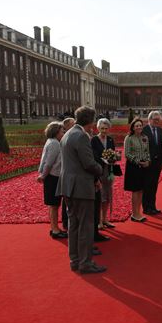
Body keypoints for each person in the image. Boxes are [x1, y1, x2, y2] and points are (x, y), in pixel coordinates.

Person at [57, 106, 105, 274]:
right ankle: (85, 262)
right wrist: (101, 168)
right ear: (91, 122)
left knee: (73, 225)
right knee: (85, 225)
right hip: (81, 186)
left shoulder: (68, 134)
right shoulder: (81, 136)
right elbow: (89, 164)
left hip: (68, 185)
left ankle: (75, 260)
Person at [37, 121, 67, 239]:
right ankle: (55, 229)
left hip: (52, 176)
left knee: (53, 205)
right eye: (62, 131)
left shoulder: (51, 141)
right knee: (54, 205)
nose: (63, 133)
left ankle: (55, 228)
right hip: (53, 177)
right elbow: (49, 163)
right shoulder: (54, 143)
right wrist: (43, 176)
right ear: (56, 132)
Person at [91, 118, 117, 232]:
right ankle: (99, 221)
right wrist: (104, 159)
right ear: (98, 128)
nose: (104, 131)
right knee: (100, 196)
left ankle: (105, 219)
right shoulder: (94, 140)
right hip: (98, 171)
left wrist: (114, 158)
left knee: (107, 195)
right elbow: (93, 155)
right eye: (102, 128)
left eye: (106, 128)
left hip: (109, 171)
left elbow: (114, 153)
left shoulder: (110, 139)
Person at [124, 118, 150, 222]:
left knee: (141, 190)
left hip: (144, 166)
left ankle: (138, 212)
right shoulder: (129, 138)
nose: (139, 127)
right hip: (133, 166)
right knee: (136, 190)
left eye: (140, 125)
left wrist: (148, 161)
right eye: (137, 126)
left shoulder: (145, 137)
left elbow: (147, 151)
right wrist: (138, 161)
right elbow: (127, 153)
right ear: (133, 128)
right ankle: (134, 214)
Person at [142, 110, 162, 215]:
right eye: (155, 120)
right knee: (147, 185)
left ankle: (153, 206)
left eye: (158, 120)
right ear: (149, 119)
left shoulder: (160, 130)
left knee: (154, 185)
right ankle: (146, 207)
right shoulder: (143, 130)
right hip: (148, 162)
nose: (157, 121)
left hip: (157, 163)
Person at [60, 117, 76, 231]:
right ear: (67, 126)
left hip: (68, 173)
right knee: (67, 201)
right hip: (68, 173)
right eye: (73, 124)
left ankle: (68, 222)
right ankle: (66, 222)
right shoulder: (67, 137)